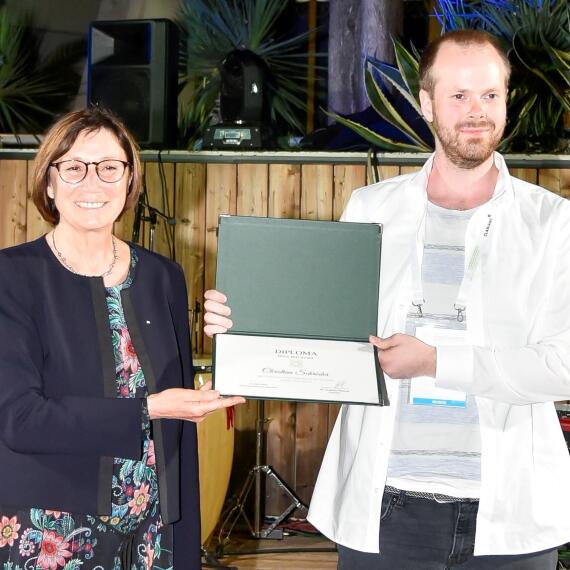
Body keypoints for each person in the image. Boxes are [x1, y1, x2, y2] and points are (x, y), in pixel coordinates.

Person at [204, 29, 570, 569]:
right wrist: (243, 323)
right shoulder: (371, 208)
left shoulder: (552, 222)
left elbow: (562, 366)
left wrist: (436, 362)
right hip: (385, 506)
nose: (477, 111)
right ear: (427, 103)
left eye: (490, 95)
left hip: (510, 513)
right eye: (459, 95)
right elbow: (327, 330)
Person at [0, 106, 244, 569]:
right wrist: (148, 410)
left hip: (151, 528)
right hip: (49, 529)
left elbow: (177, 422)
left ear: (130, 180)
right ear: (49, 183)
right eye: (74, 168)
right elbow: (19, 419)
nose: (92, 183)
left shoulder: (163, 277)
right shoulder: (11, 277)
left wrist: (235, 347)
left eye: (110, 167)